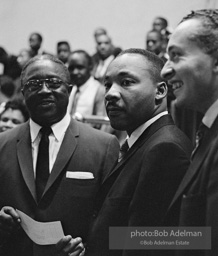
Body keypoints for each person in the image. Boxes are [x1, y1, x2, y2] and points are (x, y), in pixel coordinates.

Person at [0, 54, 120, 256]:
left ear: (69, 89)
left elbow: (111, 219)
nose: (45, 90)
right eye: (34, 83)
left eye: (54, 83)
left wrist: (87, 250)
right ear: (22, 92)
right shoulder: (3, 143)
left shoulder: (103, 145)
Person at [86, 48, 192, 256]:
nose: (110, 94)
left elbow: (153, 242)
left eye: (126, 82)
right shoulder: (141, 142)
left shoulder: (165, 149)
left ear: (160, 91)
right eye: (107, 85)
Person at [161, 9, 218, 255]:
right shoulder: (207, 130)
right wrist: (116, 239)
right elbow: (198, 236)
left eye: (176, 56)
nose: (164, 71)